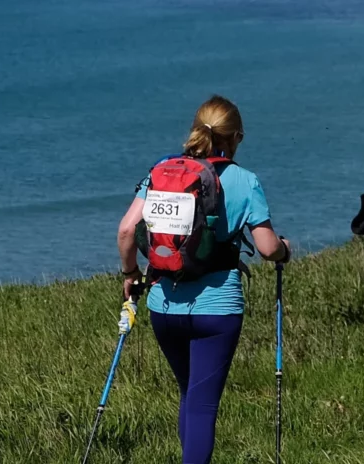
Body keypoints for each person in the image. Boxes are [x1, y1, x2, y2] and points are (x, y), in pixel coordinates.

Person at [115, 95, 291, 463]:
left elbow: (127, 230)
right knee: (202, 404)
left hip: (164, 304)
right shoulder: (245, 180)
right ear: (236, 137)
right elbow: (266, 246)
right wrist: (284, 250)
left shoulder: (162, 171)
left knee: (190, 394)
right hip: (217, 309)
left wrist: (131, 273)